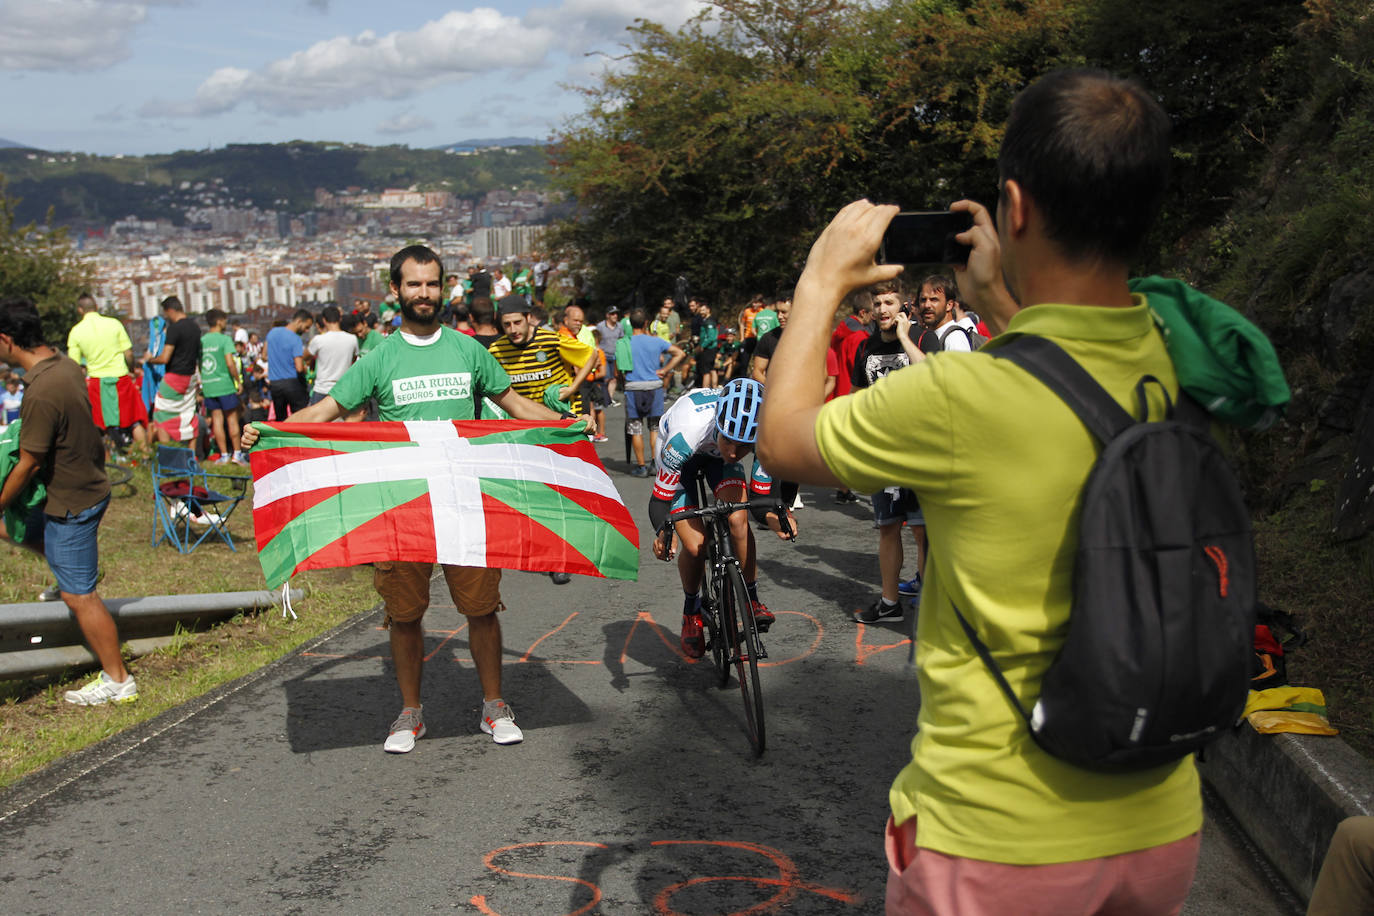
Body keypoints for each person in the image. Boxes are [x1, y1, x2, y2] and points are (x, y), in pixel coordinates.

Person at [759, 69, 1206, 914]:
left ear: (1016, 207)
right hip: (1160, 819)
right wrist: (999, 298)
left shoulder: (960, 399)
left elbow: (784, 439)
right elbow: (1067, 375)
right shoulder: (1184, 347)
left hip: (1000, 840)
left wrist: (819, 281)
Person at [241, 245, 568, 750]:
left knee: (481, 608)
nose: (424, 293)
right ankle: (410, 712)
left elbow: (517, 405)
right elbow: (328, 410)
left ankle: (494, 705)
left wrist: (569, 426)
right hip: (404, 507)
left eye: (432, 284)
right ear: (396, 290)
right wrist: (267, 429)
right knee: (405, 613)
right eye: (414, 284)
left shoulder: (468, 350)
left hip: (463, 498)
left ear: (444, 288)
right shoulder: (380, 358)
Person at [0, 298, 137, 705]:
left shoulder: (41, 390)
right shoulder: (63, 365)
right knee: (29, 538)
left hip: (71, 500)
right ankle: (70, 572)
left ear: (6, 340)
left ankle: (118, 680)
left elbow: (28, 463)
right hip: (87, 484)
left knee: (80, 596)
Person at [648, 378, 791, 659]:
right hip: (683, 459)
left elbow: (760, 502)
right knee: (695, 545)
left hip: (714, 459)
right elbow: (659, 501)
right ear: (719, 424)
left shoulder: (765, 436)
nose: (734, 453)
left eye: (744, 447)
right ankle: (691, 611)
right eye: (729, 441)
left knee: (738, 519)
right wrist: (663, 532)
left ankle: (751, 598)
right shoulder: (685, 434)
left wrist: (776, 520)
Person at [66, 293, 149, 454]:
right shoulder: (114, 324)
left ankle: (107, 465)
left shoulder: (76, 331)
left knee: (99, 426)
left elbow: (74, 365)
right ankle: (145, 456)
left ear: (80, 310)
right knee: (134, 420)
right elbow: (129, 354)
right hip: (121, 379)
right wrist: (131, 370)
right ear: (96, 306)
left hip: (97, 382)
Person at [622, 306, 685, 478]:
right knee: (655, 428)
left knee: (635, 428)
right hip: (654, 388)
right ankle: (655, 464)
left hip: (633, 388)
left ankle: (641, 466)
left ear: (630, 323)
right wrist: (665, 370)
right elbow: (679, 353)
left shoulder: (624, 342)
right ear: (646, 323)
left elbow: (618, 370)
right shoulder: (656, 341)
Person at [143, 296, 201, 444]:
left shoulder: (174, 328)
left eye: (166, 314)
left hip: (174, 377)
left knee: (161, 415)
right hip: (190, 378)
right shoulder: (195, 327)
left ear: (170, 310)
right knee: (189, 416)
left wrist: (149, 359)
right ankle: (191, 456)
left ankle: (167, 454)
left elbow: (164, 358)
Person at [200, 308, 247, 465]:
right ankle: (237, 455)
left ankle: (224, 455)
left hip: (209, 386)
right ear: (220, 321)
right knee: (232, 420)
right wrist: (238, 382)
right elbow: (230, 363)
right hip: (225, 385)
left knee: (217, 421)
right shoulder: (225, 340)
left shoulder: (203, 341)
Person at [305, 304, 359, 405]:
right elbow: (354, 359)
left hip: (322, 389)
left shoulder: (318, 340)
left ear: (324, 321)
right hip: (343, 389)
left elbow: (306, 356)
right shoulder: (352, 339)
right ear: (340, 319)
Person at [265, 308, 313, 419]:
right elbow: (299, 367)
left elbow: (264, 354)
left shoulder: (272, 333)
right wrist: (306, 369)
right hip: (292, 383)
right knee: (299, 417)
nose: (306, 330)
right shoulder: (295, 338)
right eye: (306, 327)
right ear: (299, 321)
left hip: (275, 383)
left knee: (281, 418)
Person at [919, 275, 973, 352]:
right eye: (923, 300)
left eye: (934, 300)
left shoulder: (955, 338)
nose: (927, 305)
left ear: (949, 305)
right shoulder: (929, 336)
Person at [594, 306, 623, 407]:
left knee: (614, 378)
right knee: (605, 378)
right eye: (612, 314)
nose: (615, 316)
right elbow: (596, 339)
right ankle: (602, 398)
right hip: (604, 355)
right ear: (607, 315)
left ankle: (610, 399)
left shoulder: (619, 326)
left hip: (615, 355)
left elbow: (621, 339)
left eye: (616, 313)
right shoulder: (600, 326)